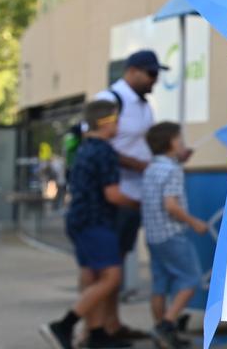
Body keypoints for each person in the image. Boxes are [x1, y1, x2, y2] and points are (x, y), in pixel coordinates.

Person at [40, 100, 138, 349]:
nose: (118, 125)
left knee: (93, 277)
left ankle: (96, 335)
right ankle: (64, 325)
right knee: (112, 277)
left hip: (79, 220)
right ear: (106, 123)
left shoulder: (85, 148)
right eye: (116, 119)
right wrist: (139, 202)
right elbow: (113, 195)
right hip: (96, 221)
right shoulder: (105, 151)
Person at [94, 49, 170, 341]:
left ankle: (112, 324)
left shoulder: (145, 106)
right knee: (106, 266)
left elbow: (145, 145)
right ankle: (97, 328)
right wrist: (137, 164)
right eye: (151, 74)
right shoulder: (109, 100)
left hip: (136, 196)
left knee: (119, 261)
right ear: (133, 71)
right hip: (114, 195)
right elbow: (99, 146)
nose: (155, 80)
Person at [142, 122, 207, 348]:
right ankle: (166, 326)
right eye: (180, 140)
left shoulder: (151, 168)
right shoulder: (173, 170)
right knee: (190, 280)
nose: (183, 144)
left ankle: (161, 332)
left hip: (153, 237)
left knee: (160, 285)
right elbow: (171, 205)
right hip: (173, 235)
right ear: (171, 143)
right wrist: (195, 222)